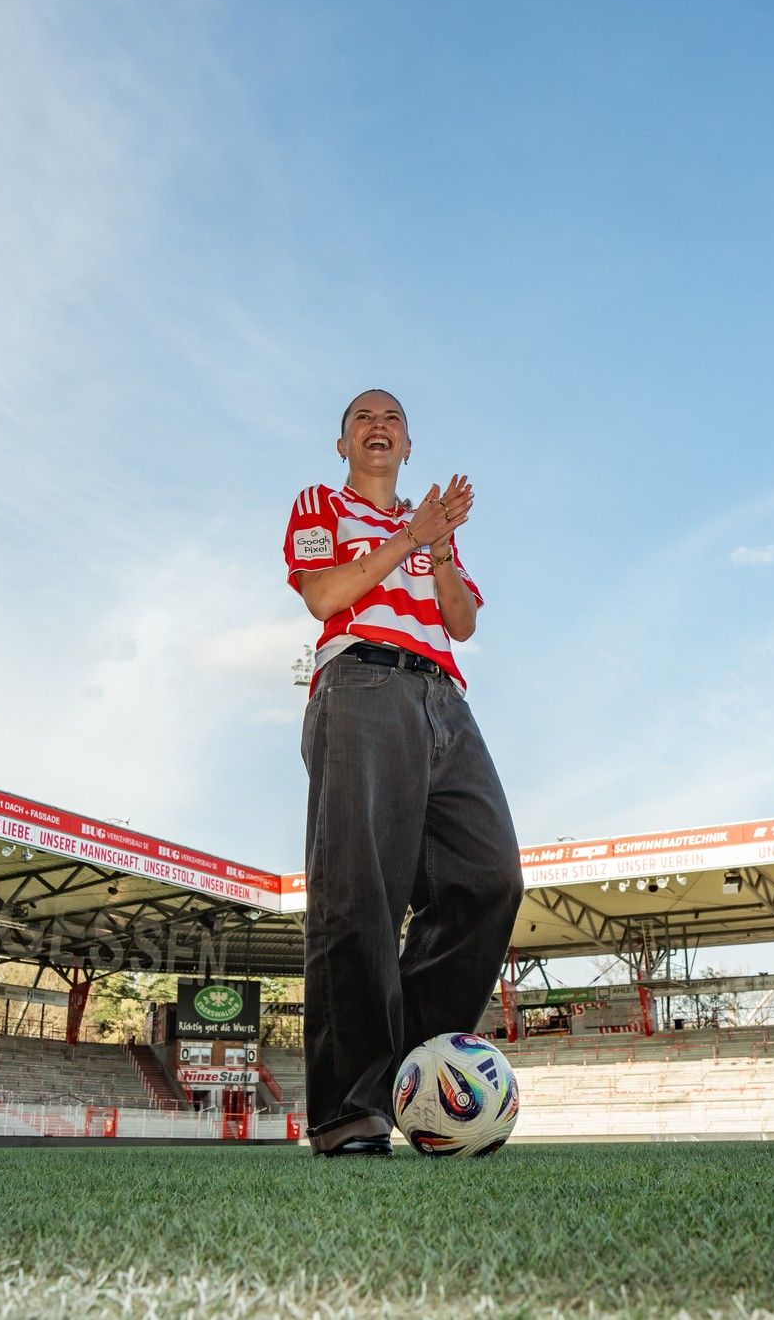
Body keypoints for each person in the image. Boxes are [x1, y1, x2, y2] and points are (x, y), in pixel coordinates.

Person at [283, 388, 523, 1156]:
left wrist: (440, 549)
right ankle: (349, 1113)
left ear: (410, 447)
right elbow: (326, 593)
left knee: (490, 875)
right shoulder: (321, 502)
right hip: (362, 684)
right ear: (343, 444)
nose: (378, 426)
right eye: (363, 418)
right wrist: (407, 537)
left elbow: (463, 619)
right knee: (361, 894)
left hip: (443, 696)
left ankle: (412, 1072)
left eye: (393, 419)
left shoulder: (433, 528)